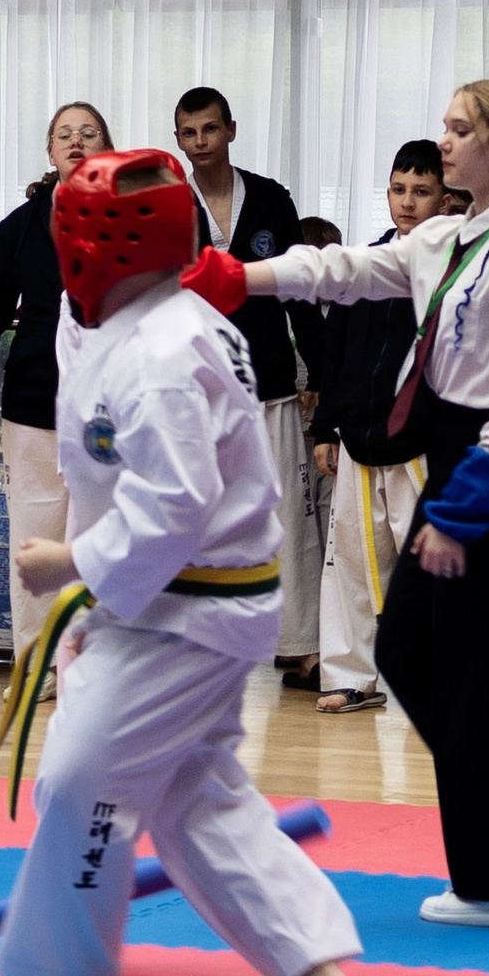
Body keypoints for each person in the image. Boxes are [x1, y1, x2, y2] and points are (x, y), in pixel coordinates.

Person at [0, 148, 363, 976]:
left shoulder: (161, 351)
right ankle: (309, 967)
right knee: (196, 796)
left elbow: (176, 501)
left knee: (81, 780)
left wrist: (74, 563)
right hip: (177, 603)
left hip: (185, 611)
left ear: (94, 250)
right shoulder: (152, 322)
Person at [247, 79, 489, 929]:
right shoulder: (447, 238)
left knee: (461, 676)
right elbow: (345, 268)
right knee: (402, 650)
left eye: (462, 130)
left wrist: (475, 496)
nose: (447, 142)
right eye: (447, 128)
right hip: (457, 463)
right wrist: (237, 277)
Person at [173, 87, 329, 690]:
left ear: (231, 130)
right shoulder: (166, 202)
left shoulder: (269, 199)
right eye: (189, 133)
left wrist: (321, 371)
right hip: (190, 389)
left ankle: (303, 644)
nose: (200, 142)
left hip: (267, 383)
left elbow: (300, 288)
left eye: (210, 129)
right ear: (179, 139)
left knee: (288, 516)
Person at [0, 103, 112, 670]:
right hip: (34, 403)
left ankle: (100, 667)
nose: (76, 142)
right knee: (36, 537)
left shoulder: (133, 217)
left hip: (113, 409)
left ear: (109, 147)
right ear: (50, 153)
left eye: (88, 133)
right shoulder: (23, 225)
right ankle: (36, 665)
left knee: (107, 539)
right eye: (64, 135)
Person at [308, 141, 456, 716]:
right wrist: (326, 428)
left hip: (421, 445)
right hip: (357, 437)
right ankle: (351, 675)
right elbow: (335, 354)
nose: (408, 203)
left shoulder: (453, 267)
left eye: (422, 192)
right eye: (399, 190)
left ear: (444, 198)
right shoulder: (365, 264)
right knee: (348, 560)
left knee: (429, 564)